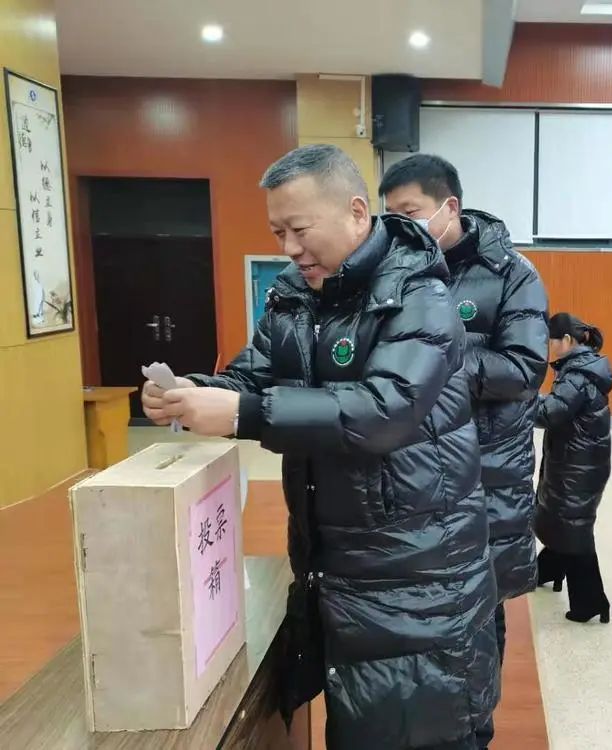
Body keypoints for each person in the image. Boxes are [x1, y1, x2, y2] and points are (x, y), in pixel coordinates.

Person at [142, 144, 498, 750]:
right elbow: (252, 374)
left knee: (425, 724)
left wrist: (245, 414)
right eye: (277, 232)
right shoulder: (295, 295)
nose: (289, 248)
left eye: (300, 230)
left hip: (417, 571)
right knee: (361, 717)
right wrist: (193, 391)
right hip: (341, 563)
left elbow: (384, 411)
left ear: (357, 212)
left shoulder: (420, 293)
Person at [379, 154, 548, 749]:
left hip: (486, 470)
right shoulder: (392, 269)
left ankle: (478, 727)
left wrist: (432, 362)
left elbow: (523, 368)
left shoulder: (511, 273)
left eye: (411, 213)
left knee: (481, 606)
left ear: (449, 207)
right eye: (390, 216)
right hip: (411, 469)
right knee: (422, 604)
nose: (400, 227)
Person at [534, 313, 612, 624]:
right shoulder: (580, 368)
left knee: (574, 527)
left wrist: (522, 399)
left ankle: (592, 601)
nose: (547, 347)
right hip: (576, 459)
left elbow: (552, 412)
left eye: (550, 341)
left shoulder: (577, 375)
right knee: (560, 518)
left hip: (578, 464)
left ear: (566, 340)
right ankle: (548, 569)